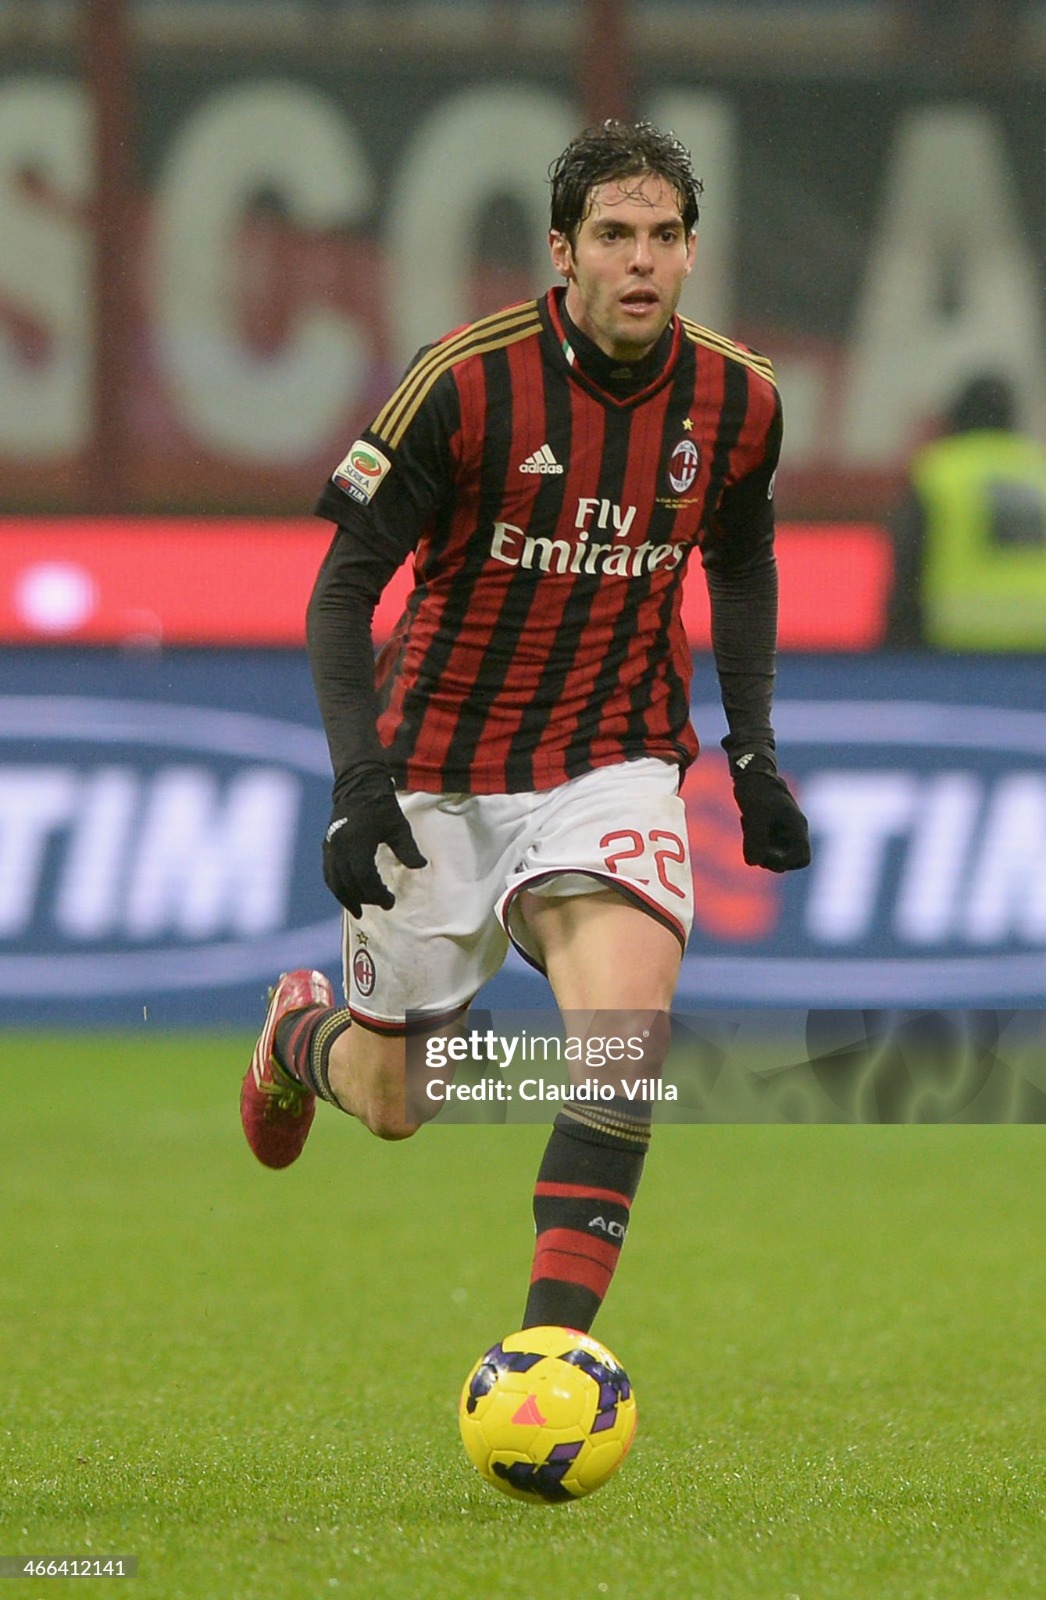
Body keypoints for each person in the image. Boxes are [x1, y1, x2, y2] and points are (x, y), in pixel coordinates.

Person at [240, 119, 811, 1337]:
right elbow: (343, 592)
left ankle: (552, 1354)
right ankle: (296, 1035)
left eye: (663, 235)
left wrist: (753, 750)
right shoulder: (463, 381)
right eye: (613, 235)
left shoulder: (739, 398)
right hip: (437, 766)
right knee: (396, 1099)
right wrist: (357, 781)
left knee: (621, 1037)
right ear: (562, 251)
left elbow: (741, 560)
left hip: (612, 757)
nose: (640, 260)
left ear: (691, 250)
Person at [886, 373, 1046, 649]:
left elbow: (909, 562)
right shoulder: (1038, 469)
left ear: (956, 417)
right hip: (1039, 641)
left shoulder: (939, 470)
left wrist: (897, 644)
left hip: (964, 642)